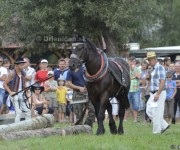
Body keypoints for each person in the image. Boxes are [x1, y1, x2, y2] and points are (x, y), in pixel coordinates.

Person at [146, 51, 169, 134]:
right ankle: (164, 125)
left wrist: (158, 94)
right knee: (149, 110)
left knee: (156, 112)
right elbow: (154, 81)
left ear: (154, 59)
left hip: (158, 93)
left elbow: (162, 81)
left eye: (149, 60)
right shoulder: (153, 68)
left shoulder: (159, 67)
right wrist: (148, 78)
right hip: (153, 93)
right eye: (148, 60)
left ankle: (157, 132)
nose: (148, 62)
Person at [3, 58, 31, 122]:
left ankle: (28, 125)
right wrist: (10, 92)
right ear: (17, 65)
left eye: (23, 64)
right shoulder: (12, 73)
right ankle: (17, 128)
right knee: (18, 112)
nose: (23, 66)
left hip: (22, 94)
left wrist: (26, 88)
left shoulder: (23, 73)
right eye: (21, 65)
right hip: (14, 94)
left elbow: (23, 83)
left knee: (28, 111)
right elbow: (4, 84)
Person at [124, 56, 141, 122]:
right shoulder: (126, 69)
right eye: (131, 61)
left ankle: (135, 120)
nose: (132, 63)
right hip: (128, 90)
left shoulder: (137, 68)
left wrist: (134, 69)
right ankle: (125, 119)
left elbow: (139, 76)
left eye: (134, 61)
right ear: (128, 61)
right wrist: (134, 77)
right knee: (126, 105)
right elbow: (126, 78)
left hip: (136, 90)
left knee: (136, 106)